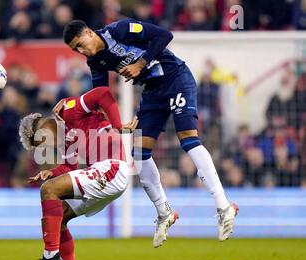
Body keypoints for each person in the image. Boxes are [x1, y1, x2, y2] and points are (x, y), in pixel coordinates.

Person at [63, 19, 238, 246]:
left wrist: (140, 64)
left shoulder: (120, 30)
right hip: (153, 92)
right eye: (75, 49)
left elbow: (164, 35)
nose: (80, 50)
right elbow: (101, 94)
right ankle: (164, 213)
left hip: (176, 79)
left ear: (88, 32)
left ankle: (224, 206)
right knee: (138, 153)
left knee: (187, 137)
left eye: (80, 44)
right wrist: (106, 120)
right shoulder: (95, 60)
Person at [19, 86, 138, 260]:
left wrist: (118, 126)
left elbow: (103, 93)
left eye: (41, 141)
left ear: (42, 126)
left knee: (48, 191)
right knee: (60, 218)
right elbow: (69, 167)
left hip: (112, 167)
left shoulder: (68, 110)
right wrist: (52, 172)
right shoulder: (65, 139)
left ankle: (50, 257)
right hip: (105, 173)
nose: (46, 146)